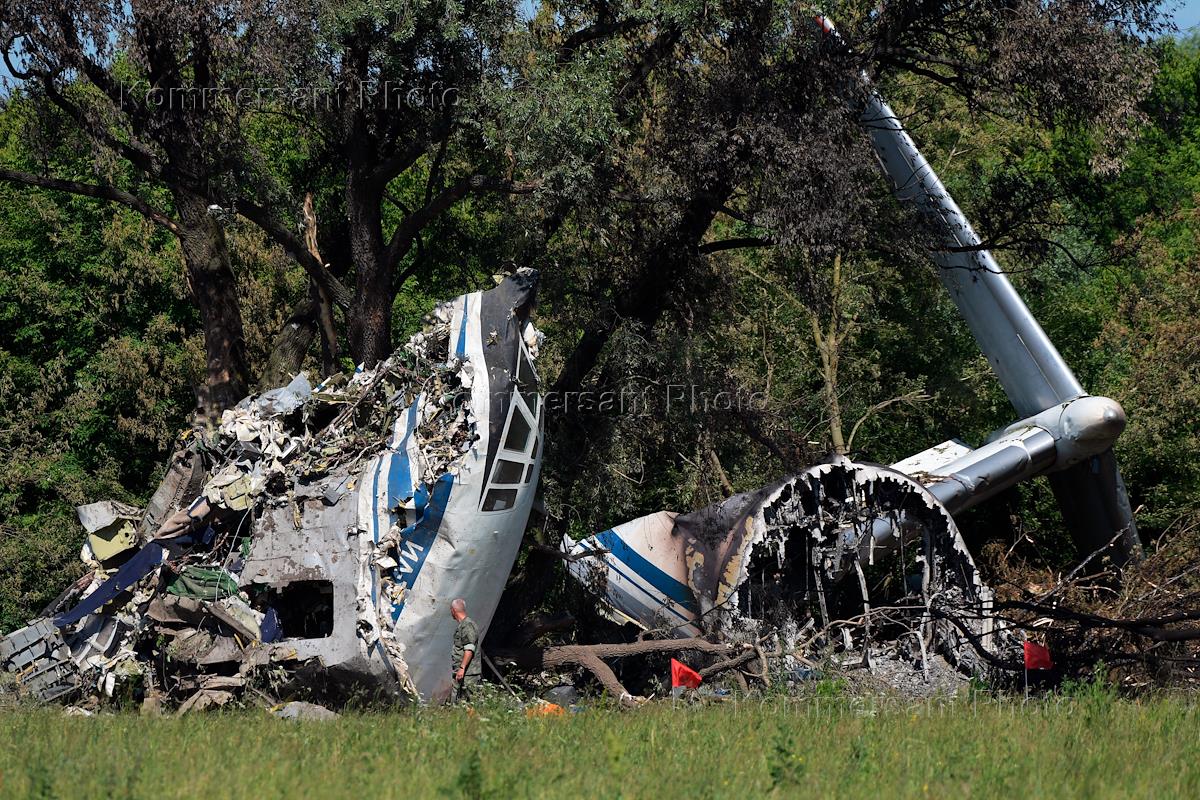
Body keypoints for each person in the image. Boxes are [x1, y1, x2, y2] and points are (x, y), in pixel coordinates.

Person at [450, 598, 482, 702]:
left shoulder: (468, 625)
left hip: (469, 673)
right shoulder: (462, 626)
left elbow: (469, 648)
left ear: (453, 610)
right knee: (459, 702)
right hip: (462, 673)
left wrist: (462, 668)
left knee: (471, 702)